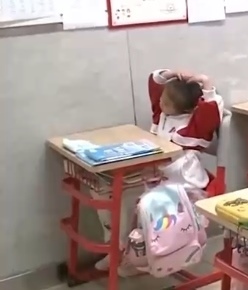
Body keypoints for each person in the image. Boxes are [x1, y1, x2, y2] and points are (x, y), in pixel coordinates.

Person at [95, 69, 224, 272]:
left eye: (167, 101)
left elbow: (211, 111)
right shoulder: (162, 115)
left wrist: (206, 83)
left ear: (183, 107)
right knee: (104, 192)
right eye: (162, 98)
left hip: (183, 187)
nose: (161, 102)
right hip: (156, 178)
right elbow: (154, 84)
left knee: (130, 203)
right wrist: (172, 73)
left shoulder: (195, 126)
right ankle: (118, 248)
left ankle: (131, 254)